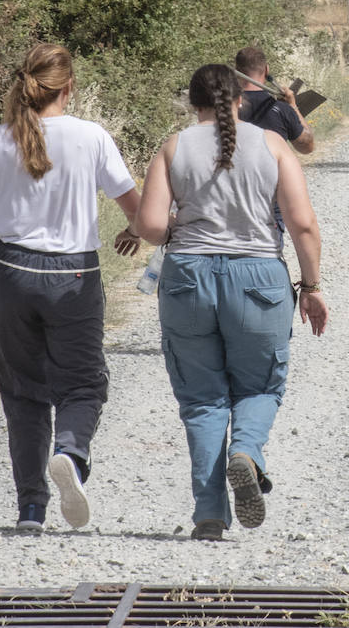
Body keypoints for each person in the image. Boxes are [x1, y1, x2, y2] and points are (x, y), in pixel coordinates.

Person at [138, 64, 329, 542]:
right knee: (261, 386)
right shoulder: (273, 145)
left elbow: (152, 228)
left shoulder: (173, 146)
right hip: (258, 277)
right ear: (241, 99)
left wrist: (183, 218)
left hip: (187, 279)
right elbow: (302, 224)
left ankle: (209, 514)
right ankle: (246, 452)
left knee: (201, 399)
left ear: (191, 101)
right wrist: (311, 287)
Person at [0, 42, 143, 532]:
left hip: (12, 272)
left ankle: (31, 510)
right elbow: (137, 210)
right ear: (69, 87)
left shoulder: (0, 139)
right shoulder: (92, 137)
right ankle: (70, 451)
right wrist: (134, 230)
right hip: (73, 276)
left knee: (22, 391)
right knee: (83, 382)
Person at [235, 46, 315, 155]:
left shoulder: (223, 107)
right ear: (267, 70)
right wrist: (293, 106)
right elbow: (307, 147)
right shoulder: (282, 109)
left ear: (237, 71)